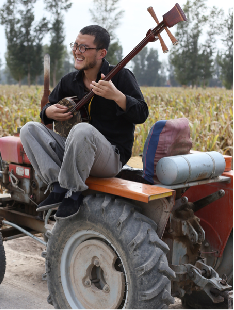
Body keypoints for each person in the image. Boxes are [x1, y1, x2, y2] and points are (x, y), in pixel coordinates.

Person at [20, 25, 149, 219]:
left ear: (101, 53)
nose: (77, 52)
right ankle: (57, 187)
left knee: (82, 130)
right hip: (75, 150)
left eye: (84, 48)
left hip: (110, 156)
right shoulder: (69, 81)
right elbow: (46, 110)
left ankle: (74, 192)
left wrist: (117, 96)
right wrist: (49, 111)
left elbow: (142, 114)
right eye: (75, 45)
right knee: (28, 129)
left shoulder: (121, 76)